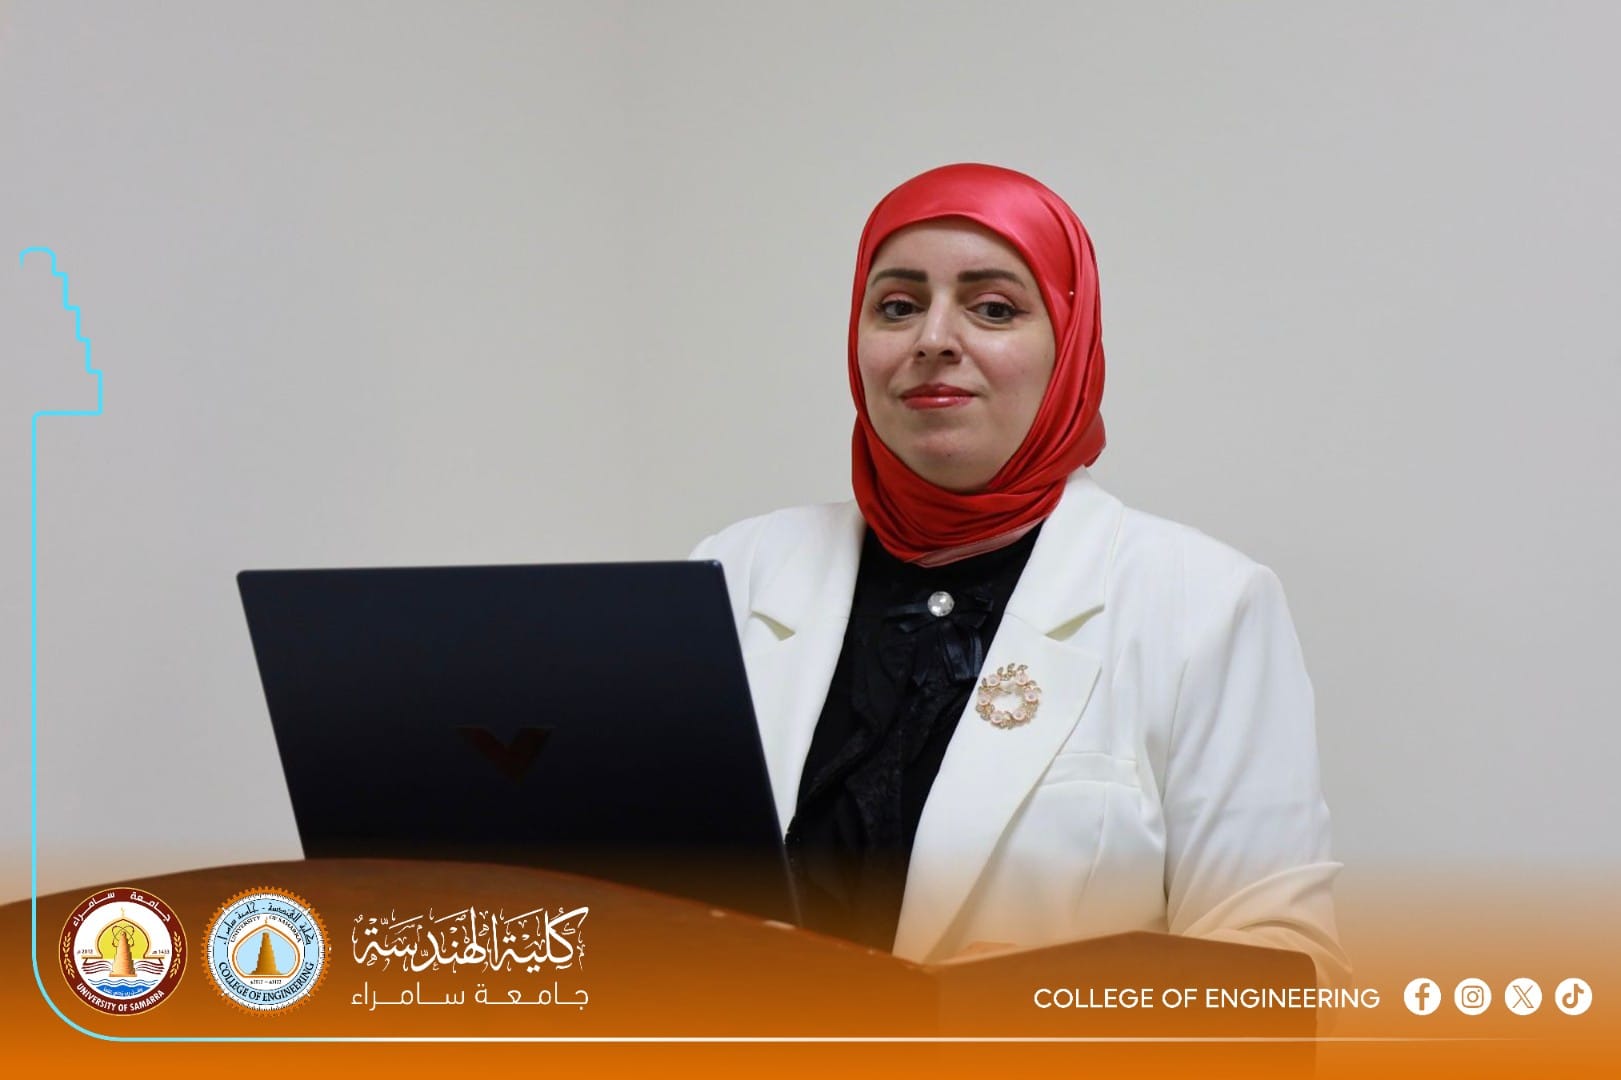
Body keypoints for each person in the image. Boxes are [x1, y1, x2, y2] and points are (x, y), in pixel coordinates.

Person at [689, 163, 1348, 983]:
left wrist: (1052, 1000)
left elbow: (1287, 967)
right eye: (896, 306)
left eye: (993, 308)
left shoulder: (1203, 603)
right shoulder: (733, 573)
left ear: (1068, 347)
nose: (933, 338)